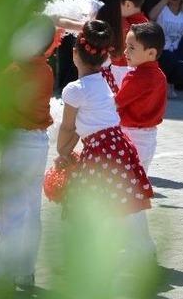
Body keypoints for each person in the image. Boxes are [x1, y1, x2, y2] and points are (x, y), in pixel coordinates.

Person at [54, 21, 153, 240]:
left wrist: (62, 151)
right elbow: (86, 126)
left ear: (74, 53)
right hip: (120, 145)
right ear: (104, 57)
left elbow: (68, 127)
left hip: (100, 151)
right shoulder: (104, 79)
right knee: (123, 203)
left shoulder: (74, 90)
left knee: (90, 206)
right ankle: (139, 253)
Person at [0, 17, 56, 290]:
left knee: (10, 212)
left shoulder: (16, 71)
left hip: (17, 140)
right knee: (30, 210)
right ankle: (25, 272)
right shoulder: (46, 68)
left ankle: (4, 274)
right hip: (38, 142)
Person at [114, 22, 167, 258]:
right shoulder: (157, 73)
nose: (126, 52)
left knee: (128, 196)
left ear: (151, 53)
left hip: (133, 137)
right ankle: (132, 246)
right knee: (128, 194)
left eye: (132, 47)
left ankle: (142, 249)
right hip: (145, 137)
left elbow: (116, 103)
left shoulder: (139, 76)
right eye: (126, 46)